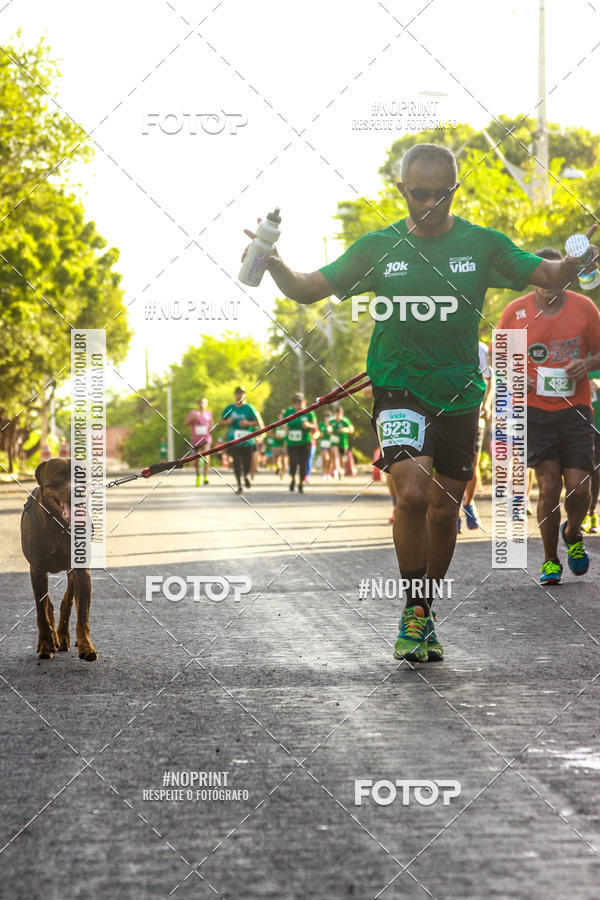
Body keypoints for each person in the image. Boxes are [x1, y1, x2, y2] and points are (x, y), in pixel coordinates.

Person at [242, 142, 598, 662]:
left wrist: (578, 259)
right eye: (419, 193)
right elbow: (307, 288)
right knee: (411, 493)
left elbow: (551, 276)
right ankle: (412, 611)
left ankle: (425, 609)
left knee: (444, 510)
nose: (430, 203)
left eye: (440, 194)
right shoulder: (376, 248)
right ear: (401, 190)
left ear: (454, 189)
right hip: (398, 384)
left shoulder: (483, 244)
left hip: (459, 391)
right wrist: (274, 264)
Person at [498, 248, 600, 584]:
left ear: (567, 278)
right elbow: (500, 360)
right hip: (535, 411)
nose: (548, 286)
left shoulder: (585, 308)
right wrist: (517, 375)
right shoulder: (515, 312)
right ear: (533, 278)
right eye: (542, 279)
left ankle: (572, 532)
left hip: (576, 410)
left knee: (580, 488)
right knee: (549, 485)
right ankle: (550, 559)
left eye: (556, 279)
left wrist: (587, 363)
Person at [460, 341, 492, 530]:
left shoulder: (480, 348)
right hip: (445, 413)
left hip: (474, 412)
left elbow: (489, 379)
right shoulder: (439, 342)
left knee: (472, 462)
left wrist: (486, 404)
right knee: (444, 465)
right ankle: (452, 511)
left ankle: (469, 503)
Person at [220, 387, 262, 495]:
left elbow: (258, 423)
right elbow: (220, 422)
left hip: (247, 441)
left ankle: (246, 476)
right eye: (237, 393)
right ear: (234, 395)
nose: (239, 395)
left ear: (244, 395)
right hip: (233, 440)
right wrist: (227, 422)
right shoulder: (229, 408)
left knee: (247, 462)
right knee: (237, 462)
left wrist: (247, 423)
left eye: (241, 393)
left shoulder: (249, 408)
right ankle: (239, 484)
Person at [283, 392, 318, 493]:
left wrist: (308, 425)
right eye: (296, 402)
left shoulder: (309, 412)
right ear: (293, 403)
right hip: (292, 443)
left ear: (304, 402)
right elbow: (283, 423)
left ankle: (301, 483)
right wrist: (286, 428)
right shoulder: (288, 412)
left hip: (305, 443)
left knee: (303, 463)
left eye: (300, 402)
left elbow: (314, 426)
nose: (298, 404)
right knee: (293, 462)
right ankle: (293, 479)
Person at [582, 372, 600, 533]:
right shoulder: (576, 359)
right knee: (580, 468)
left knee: (595, 468)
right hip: (580, 423)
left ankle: (592, 512)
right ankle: (581, 514)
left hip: (598, 424)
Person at [184, 397, 213, 486]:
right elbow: (185, 424)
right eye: (200, 403)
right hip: (196, 440)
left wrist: (210, 428)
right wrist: (192, 419)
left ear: (206, 404)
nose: (201, 405)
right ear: (198, 404)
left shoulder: (209, 414)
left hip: (206, 438)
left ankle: (205, 477)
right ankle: (198, 476)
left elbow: (212, 425)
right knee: (197, 459)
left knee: (206, 457)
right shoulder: (193, 413)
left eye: (203, 403)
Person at [329, 406, 354, 479]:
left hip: (343, 442)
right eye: (336, 414)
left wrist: (345, 430)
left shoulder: (345, 421)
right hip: (334, 442)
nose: (338, 415)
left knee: (342, 459)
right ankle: (337, 471)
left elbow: (351, 430)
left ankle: (341, 470)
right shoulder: (332, 421)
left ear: (342, 413)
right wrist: (330, 430)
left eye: (339, 414)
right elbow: (329, 427)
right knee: (336, 456)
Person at [318, 413, 333, 479]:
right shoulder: (321, 424)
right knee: (325, 458)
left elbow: (332, 433)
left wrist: (329, 429)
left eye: (329, 417)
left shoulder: (332, 424)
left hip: (331, 443)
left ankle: (328, 473)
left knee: (330, 460)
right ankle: (324, 472)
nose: (328, 418)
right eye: (327, 417)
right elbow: (319, 433)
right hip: (323, 443)